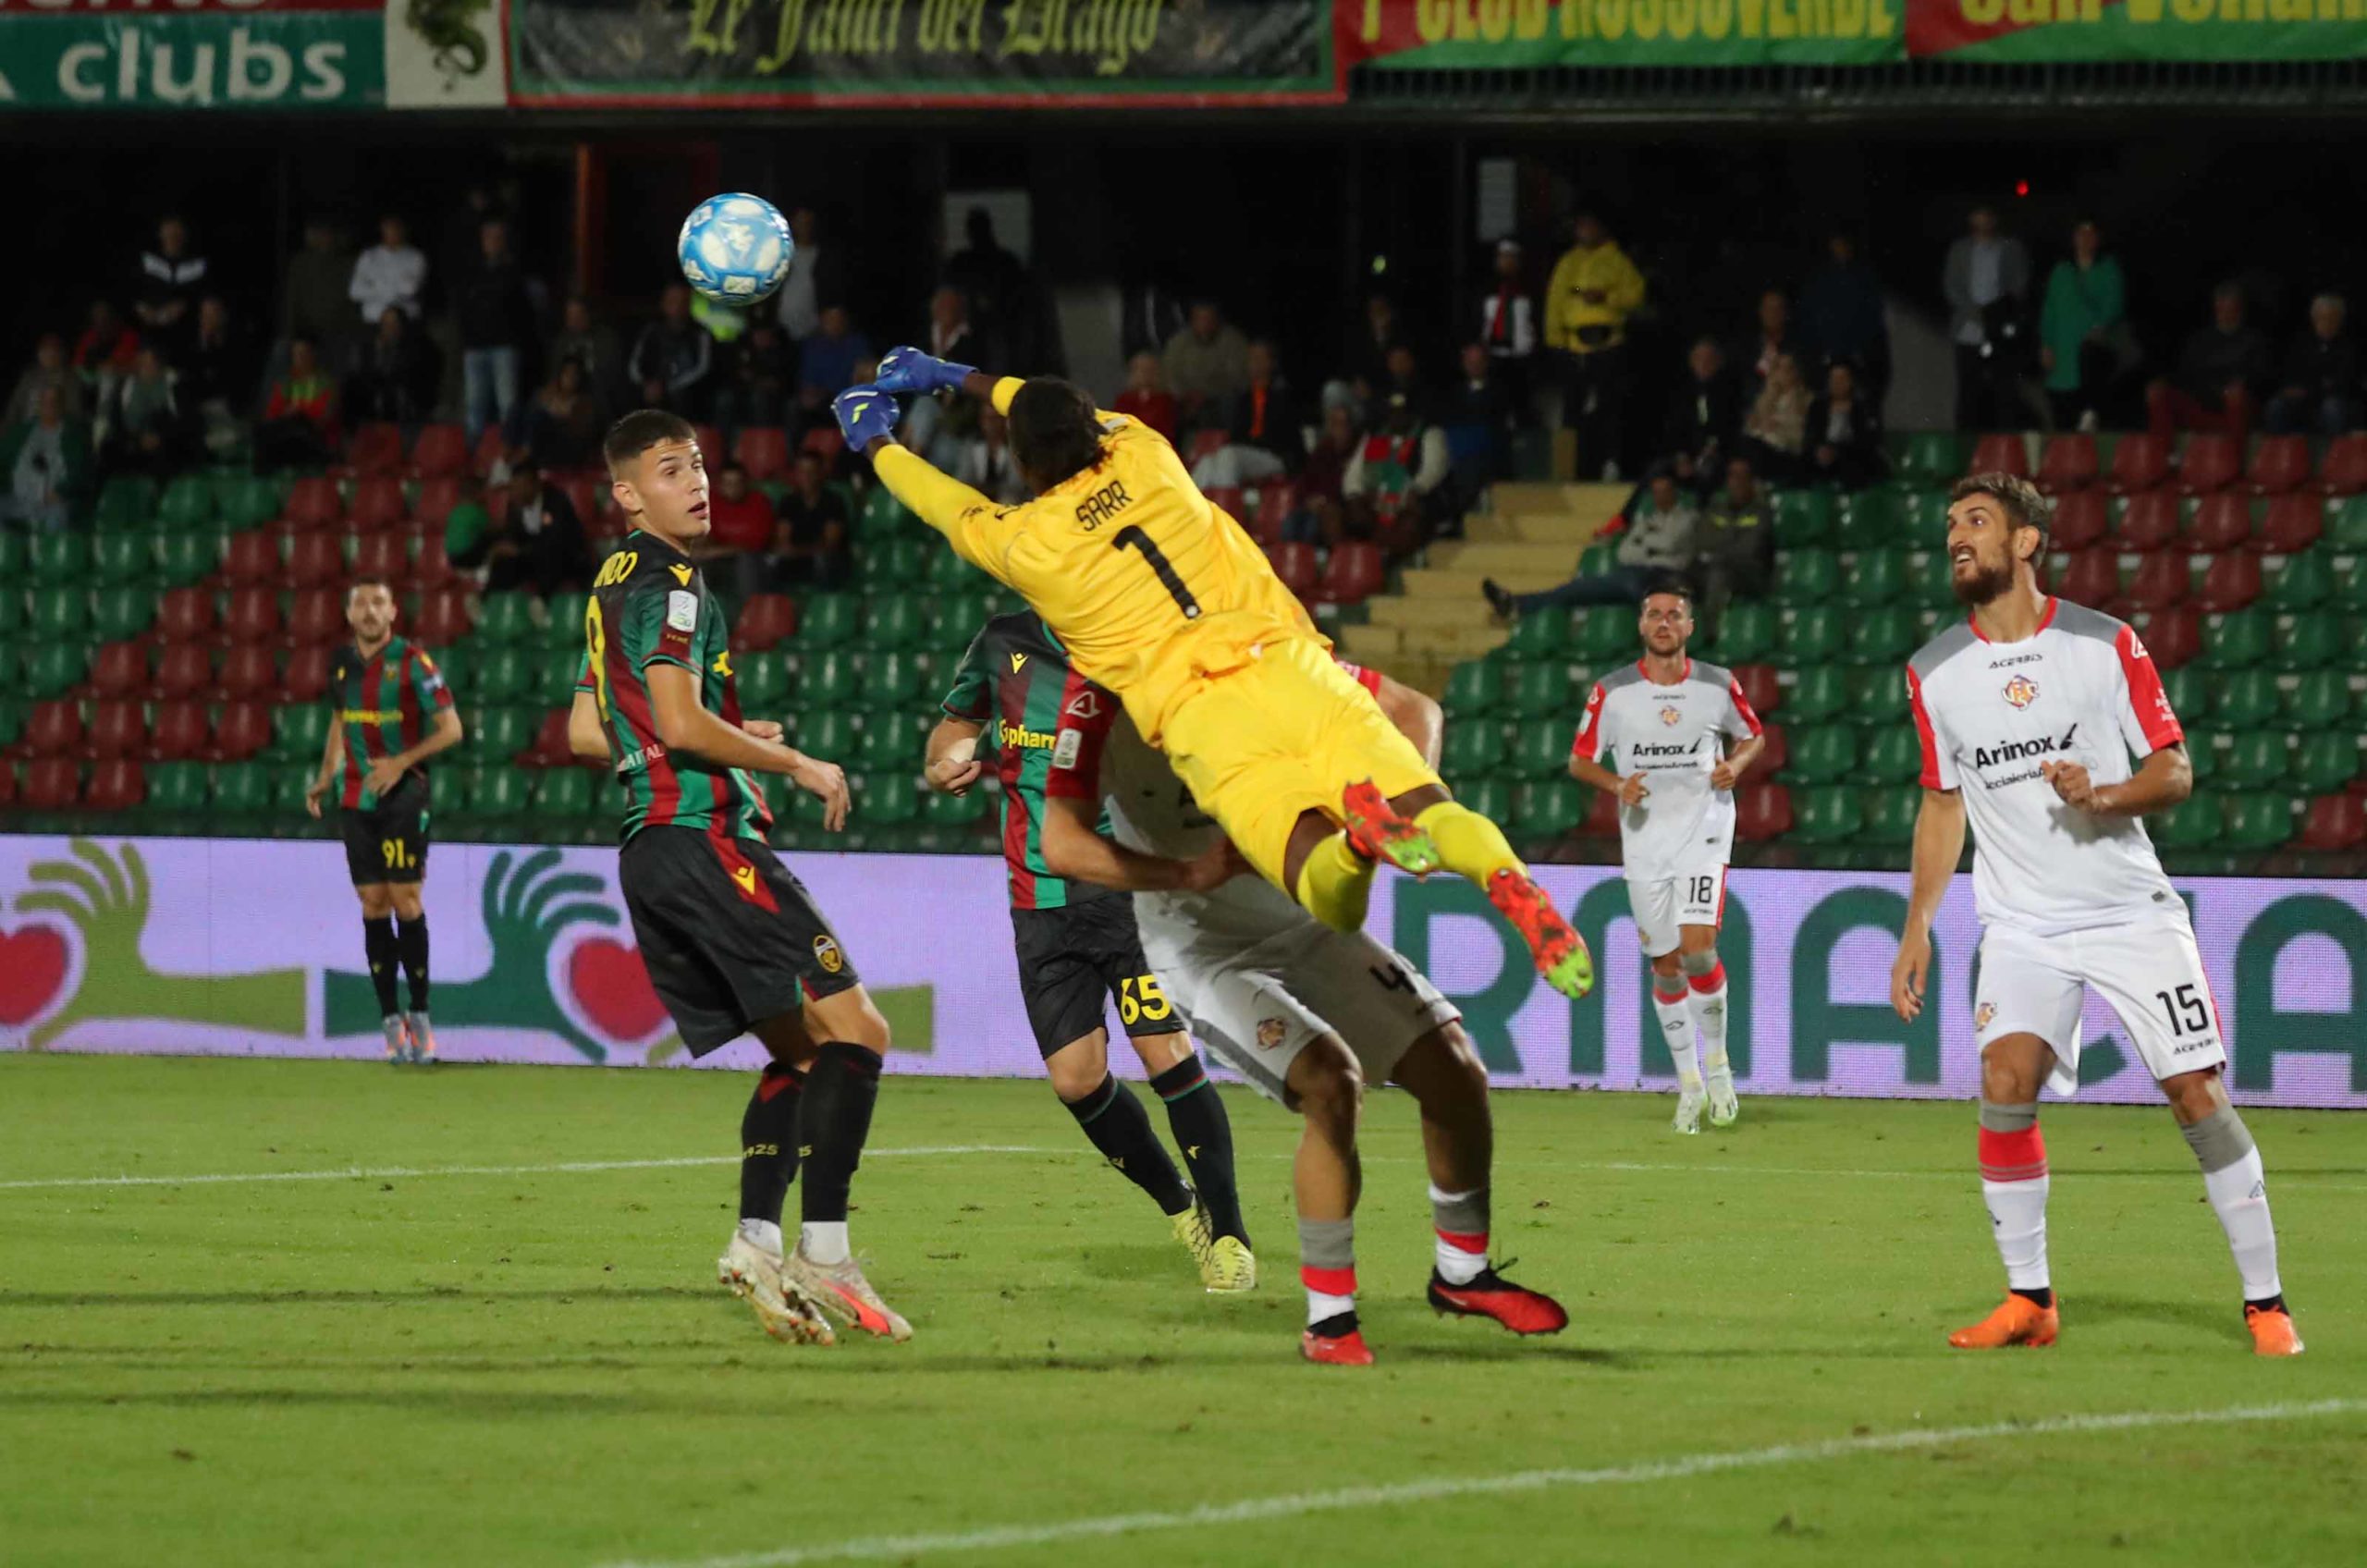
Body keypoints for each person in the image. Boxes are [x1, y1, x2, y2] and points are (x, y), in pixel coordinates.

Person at [838, 347, 1594, 998]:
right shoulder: (1147, 454)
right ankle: (1509, 879)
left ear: (1023, 463)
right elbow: (1045, 405)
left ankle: (1359, 845)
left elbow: (942, 502)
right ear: (1093, 425)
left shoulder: (1024, 545)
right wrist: (952, 375)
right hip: (1292, 665)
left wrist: (874, 438)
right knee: (1429, 806)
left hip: (1204, 715)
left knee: (1330, 896)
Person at [1056, 646, 1569, 1363]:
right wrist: (1186, 872)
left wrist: (1404, 811)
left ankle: (1462, 1275)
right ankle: (1330, 1321)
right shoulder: (1099, 697)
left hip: (1310, 923)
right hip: (1203, 950)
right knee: (1331, 1083)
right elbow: (1061, 842)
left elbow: (1416, 709)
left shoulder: (1264, 653)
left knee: (1455, 1071)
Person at [1890, 472, 2301, 1359]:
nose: (1956, 537)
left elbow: (2175, 771)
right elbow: (1942, 802)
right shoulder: (1932, 672)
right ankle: (2029, 1300)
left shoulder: (2105, 642)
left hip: (2129, 914)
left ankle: (2266, 1304)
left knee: (2195, 1093)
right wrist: (1918, 924)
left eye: (1976, 521)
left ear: (2026, 541)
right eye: (1951, 524)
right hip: (2021, 925)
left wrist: (2104, 794)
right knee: (2005, 1082)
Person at [564, 408, 901, 1348]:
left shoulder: (609, 583)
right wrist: (795, 764)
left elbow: (590, 730)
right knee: (861, 1032)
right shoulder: (674, 583)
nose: (698, 484)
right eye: (671, 470)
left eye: (700, 466)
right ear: (629, 494)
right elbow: (675, 725)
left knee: (804, 1055)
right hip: (705, 837)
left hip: (649, 852)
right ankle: (825, 1252)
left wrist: (724, 732)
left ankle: (757, 1240)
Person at [922, 611, 1253, 1293]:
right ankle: (1181, 1209)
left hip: (1128, 891)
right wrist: (941, 764)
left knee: (1166, 1052)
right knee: (1075, 1080)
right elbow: (956, 725)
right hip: (1038, 901)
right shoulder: (1003, 639)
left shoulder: (1135, 640)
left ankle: (1229, 1236)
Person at [1564, 582, 1763, 1133]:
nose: (1663, 622)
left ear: (1689, 627)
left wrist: (1735, 766)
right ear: (1641, 625)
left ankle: (1719, 1068)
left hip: (1705, 831)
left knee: (1698, 950)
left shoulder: (1717, 684)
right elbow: (1580, 760)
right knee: (1666, 965)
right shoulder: (1612, 692)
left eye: (1674, 614)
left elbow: (1753, 736)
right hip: (1645, 841)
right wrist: (1617, 784)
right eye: (1654, 614)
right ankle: (1690, 1085)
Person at [303, 578, 465, 1065]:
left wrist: (401, 762)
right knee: (372, 902)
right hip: (355, 797)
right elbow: (340, 721)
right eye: (360, 603)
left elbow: (452, 729)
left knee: (405, 899)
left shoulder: (414, 663)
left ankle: (422, 1016)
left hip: (403, 796)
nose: (369, 611)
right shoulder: (341, 663)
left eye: (378, 603)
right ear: (348, 614)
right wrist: (325, 775)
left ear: (393, 611)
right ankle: (390, 1019)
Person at [1482, 469, 1699, 619]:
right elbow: (1624, 553)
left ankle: (1519, 604)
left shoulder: (1687, 518)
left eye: (1664, 491)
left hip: (1662, 578)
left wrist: (1643, 544)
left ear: (1674, 492)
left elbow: (1670, 543)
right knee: (1575, 588)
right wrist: (1651, 548)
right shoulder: (1646, 520)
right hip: (1631, 574)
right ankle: (1516, 604)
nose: (1660, 497)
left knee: (1594, 589)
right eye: (1656, 492)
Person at [1544, 211, 1646, 480]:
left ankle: (1610, 462)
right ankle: (1567, 467)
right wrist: (1555, 341)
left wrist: (1607, 296)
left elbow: (1636, 295)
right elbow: (1561, 296)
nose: (1585, 231)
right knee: (1571, 409)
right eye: (1581, 226)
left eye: (1590, 225)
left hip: (1608, 343)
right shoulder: (1568, 262)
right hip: (1574, 344)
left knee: (1609, 406)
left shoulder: (1617, 261)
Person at [2147, 283, 2272, 447]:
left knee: (2235, 397)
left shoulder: (2254, 340)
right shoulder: (2200, 340)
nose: (2224, 312)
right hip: (2201, 405)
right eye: (2220, 306)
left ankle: (2233, 455)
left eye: (2229, 307)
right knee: (2158, 392)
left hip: (2237, 406)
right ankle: (2165, 454)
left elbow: (2262, 377)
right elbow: (2184, 375)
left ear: (2240, 308)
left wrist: (2241, 384)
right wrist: (2163, 383)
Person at [1944, 205, 2032, 431]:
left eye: (1987, 215)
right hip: (1968, 331)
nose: (1982, 220)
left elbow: (2019, 286)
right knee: (1968, 392)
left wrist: (1996, 314)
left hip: (2000, 331)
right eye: (1978, 215)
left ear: (1994, 219)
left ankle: (2003, 446)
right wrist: (1976, 313)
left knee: (2004, 392)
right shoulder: (1959, 249)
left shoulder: (2011, 248)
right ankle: (1966, 446)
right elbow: (1952, 287)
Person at [2038, 220, 2129, 434]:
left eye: (2091, 234)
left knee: (2089, 411)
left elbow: (2114, 305)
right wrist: (2046, 344)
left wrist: (2100, 326)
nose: (2086, 239)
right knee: (2062, 418)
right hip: (2062, 355)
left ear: (2098, 239)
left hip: (2094, 348)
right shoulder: (2062, 271)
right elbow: (2049, 310)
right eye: (2081, 234)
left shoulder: (2109, 269)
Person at [455, 218, 536, 442]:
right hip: (475, 347)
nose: (492, 242)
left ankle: (507, 453)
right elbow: (463, 308)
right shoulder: (471, 272)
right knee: (474, 406)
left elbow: (523, 312)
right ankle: (474, 455)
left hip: (504, 346)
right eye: (488, 237)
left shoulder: (514, 272)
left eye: (497, 237)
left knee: (507, 406)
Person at [1341, 391, 1452, 552]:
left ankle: (1391, 558)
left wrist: (1413, 491)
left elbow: (1434, 469)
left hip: (1411, 501)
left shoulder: (1429, 433)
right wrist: (1355, 495)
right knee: (1353, 513)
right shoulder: (1376, 435)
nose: (1397, 417)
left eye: (1402, 412)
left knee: (1410, 519)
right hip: (1377, 502)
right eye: (1393, 412)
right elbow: (1353, 473)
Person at [1188, 339, 1304, 491]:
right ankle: (1187, 503)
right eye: (1251, 358)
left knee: (1229, 456)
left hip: (1275, 456)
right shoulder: (1245, 398)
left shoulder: (1282, 396)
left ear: (1270, 363)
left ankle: (1227, 503)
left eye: (1259, 358)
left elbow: (1285, 439)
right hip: (1247, 454)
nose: (1254, 363)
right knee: (1207, 462)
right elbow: (1237, 435)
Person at [479, 466, 592, 599]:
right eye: (514, 487)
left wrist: (519, 550)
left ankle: (541, 602)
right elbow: (513, 534)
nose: (516, 492)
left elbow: (556, 539)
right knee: (503, 563)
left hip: (564, 557)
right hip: (530, 556)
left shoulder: (556, 501)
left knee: (549, 558)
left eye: (521, 487)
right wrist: (504, 547)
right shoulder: (515, 506)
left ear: (535, 484)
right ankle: (487, 601)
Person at [1799, 232, 1890, 395]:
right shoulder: (1820, 278)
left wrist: (1861, 350)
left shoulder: (1864, 277)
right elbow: (1811, 316)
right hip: (1827, 354)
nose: (1839, 248)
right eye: (1836, 243)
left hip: (1858, 356)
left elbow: (1874, 316)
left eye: (1843, 244)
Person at [2263, 293, 2361, 437]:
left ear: (2340, 321)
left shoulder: (2348, 348)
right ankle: (2279, 449)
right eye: (2322, 318)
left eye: (2332, 318)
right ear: (2314, 319)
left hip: (2331, 402)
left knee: (2332, 408)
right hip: (2302, 403)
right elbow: (2290, 376)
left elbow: (2343, 383)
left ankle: (2334, 450)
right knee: (2276, 406)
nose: (2327, 323)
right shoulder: (2301, 344)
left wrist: (2309, 389)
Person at [1696, 456, 1773, 635]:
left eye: (1743, 476)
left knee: (1719, 573)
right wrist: (1730, 541)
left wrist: (1720, 545)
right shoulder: (1716, 508)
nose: (1738, 482)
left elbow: (1750, 549)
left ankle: (1711, 634)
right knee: (1674, 580)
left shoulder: (1761, 512)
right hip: (1714, 565)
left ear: (1752, 482)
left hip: (1752, 574)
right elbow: (1703, 541)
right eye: (1733, 476)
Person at [0, 386, 92, 531]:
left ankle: (49, 546)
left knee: (59, 513)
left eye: (54, 402)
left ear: (62, 406)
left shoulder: (75, 436)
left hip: (53, 503)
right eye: (44, 401)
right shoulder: (21, 432)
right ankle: (8, 544)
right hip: (18, 498)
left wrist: (61, 492)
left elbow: (82, 471)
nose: (49, 406)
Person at [1160, 300, 1251, 432]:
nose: (1204, 323)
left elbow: (1238, 377)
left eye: (1208, 318)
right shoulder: (1178, 342)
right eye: (1199, 319)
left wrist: (1206, 394)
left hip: (1219, 398)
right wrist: (1186, 395)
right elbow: (1170, 374)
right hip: (1185, 399)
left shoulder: (1233, 341)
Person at [630, 284, 716, 423]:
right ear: (663, 303)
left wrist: (668, 387)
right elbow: (635, 365)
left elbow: (702, 369)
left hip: (686, 394)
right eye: (672, 301)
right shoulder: (651, 331)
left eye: (682, 302)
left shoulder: (700, 334)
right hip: (650, 389)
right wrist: (647, 384)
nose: (677, 306)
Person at [1663, 336, 1738, 493]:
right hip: (1688, 453)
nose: (1703, 364)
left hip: (1717, 453)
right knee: (1657, 471)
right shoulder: (1682, 393)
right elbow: (1675, 429)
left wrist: (1711, 450)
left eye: (1709, 360)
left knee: (1707, 473)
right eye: (1699, 359)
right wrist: (1681, 457)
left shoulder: (1729, 392)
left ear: (1718, 362)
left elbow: (1729, 427)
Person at [255, 335, 340, 470]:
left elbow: (325, 418)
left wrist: (299, 410)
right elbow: (271, 415)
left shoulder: (326, 384)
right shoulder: (285, 383)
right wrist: (286, 414)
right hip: (289, 436)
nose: (299, 358)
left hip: (316, 440)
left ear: (313, 355)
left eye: (304, 353)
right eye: (296, 354)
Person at [344, 307, 438, 427]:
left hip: (402, 414)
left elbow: (408, 379)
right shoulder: (369, 351)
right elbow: (362, 377)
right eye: (386, 324)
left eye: (395, 324)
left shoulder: (413, 352)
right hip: (372, 412)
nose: (390, 329)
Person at [1477, 239, 1539, 413]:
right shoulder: (1486, 289)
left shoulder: (1530, 289)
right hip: (1493, 358)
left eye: (1511, 257)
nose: (1507, 262)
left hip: (1522, 359)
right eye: (1503, 257)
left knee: (1522, 407)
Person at [1804, 360, 1887, 489]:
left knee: (1854, 467)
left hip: (1852, 456)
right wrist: (1819, 449)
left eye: (1842, 379)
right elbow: (1810, 435)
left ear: (1851, 381)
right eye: (1833, 379)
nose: (1837, 383)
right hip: (1822, 455)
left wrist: (1837, 451)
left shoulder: (1863, 407)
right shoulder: (1817, 407)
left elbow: (1868, 441)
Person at [774, 450, 851, 586]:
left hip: (826, 562)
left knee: (823, 560)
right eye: (802, 472)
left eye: (812, 472)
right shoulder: (788, 501)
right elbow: (783, 539)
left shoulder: (833, 501)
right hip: (796, 561)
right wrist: (792, 551)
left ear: (820, 473)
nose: (807, 477)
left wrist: (798, 551)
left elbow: (830, 544)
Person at [105, 346, 187, 476]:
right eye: (142, 364)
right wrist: (137, 440)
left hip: (166, 444)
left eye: (151, 364)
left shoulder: (175, 386)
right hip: (132, 444)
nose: (145, 369)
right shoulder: (123, 387)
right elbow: (115, 422)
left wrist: (160, 438)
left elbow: (185, 421)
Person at [133, 215, 207, 357]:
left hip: (185, 334)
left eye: (177, 232)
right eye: (168, 231)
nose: (172, 236)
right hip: (149, 332)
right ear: (160, 234)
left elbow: (202, 298)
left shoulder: (198, 266)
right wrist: (142, 308)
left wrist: (184, 306)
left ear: (185, 235)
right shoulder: (147, 261)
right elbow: (133, 293)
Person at [552, 295, 630, 413]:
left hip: (597, 393)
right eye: (570, 317)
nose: (574, 321)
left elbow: (611, 375)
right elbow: (554, 372)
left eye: (578, 316)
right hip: (566, 392)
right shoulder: (562, 342)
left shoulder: (607, 339)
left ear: (588, 315)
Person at [523, 358, 607, 469]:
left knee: (540, 419)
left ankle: (526, 454)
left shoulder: (586, 402)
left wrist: (559, 416)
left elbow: (582, 434)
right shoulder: (548, 395)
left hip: (569, 450)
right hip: (545, 446)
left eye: (575, 374)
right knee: (519, 410)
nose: (571, 378)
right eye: (567, 374)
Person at [1740, 352, 1809, 484]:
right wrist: (1757, 424)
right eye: (1779, 368)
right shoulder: (1765, 399)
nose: (1784, 373)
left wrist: (1778, 426)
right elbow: (1751, 427)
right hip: (1761, 446)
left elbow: (1802, 435)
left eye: (1788, 368)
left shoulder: (1806, 400)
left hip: (1786, 451)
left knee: (1756, 449)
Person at [350, 214, 428, 329]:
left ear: (402, 231)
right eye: (387, 230)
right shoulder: (368, 256)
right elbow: (355, 291)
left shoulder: (415, 257)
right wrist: (396, 285)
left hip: (405, 319)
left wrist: (374, 284)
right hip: (374, 319)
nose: (391, 234)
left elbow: (410, 290)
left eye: (395, 229)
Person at [6, 333, 86, 426]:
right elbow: (15, 405)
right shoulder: (29, 376)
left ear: (62, 354)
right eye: (45, 350)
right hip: (26, 427)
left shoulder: (71, 379)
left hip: (56, 428)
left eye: (54, 350)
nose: (49, 355)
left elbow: (74, 412)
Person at [1731, 288, 1794, 403]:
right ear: (1761, 312)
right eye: (1769, 309)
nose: (1773, 314)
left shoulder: (1796, 348)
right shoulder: (1746, 348)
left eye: (1778, 309)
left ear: (1786, 313)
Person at [1111, 350, 1177, 445]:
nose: (1145, 374)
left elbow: (1166, 430)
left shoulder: (1166, 401)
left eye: (1150, 370)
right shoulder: (1124, 400)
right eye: (1141, 370)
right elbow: (1118, 426)